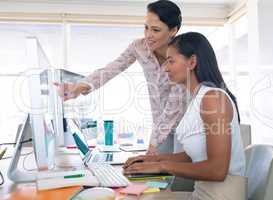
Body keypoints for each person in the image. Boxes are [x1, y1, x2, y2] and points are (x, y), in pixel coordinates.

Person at [54, 0, 191, 155]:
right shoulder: (139, 47)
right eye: (146, 27)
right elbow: (112, 68)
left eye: (156, 30)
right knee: (158, 174)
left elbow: (174, 106)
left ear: (173, 30)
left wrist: (151, 149)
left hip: (186, 126)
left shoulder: (183, 55)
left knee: (179, 173)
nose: (148, 35)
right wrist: (80, 87)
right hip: (160, 125)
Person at [123, 32, 246, 200]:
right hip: (203, 194)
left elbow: (217, 170)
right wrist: (152, 160)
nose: (165, 67)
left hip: (219, 196)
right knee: (141, 196)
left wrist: (162, 166)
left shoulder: (212, 99)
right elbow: (191, 156)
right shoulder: (197, 98)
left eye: (171, 61)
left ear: (192, 62)